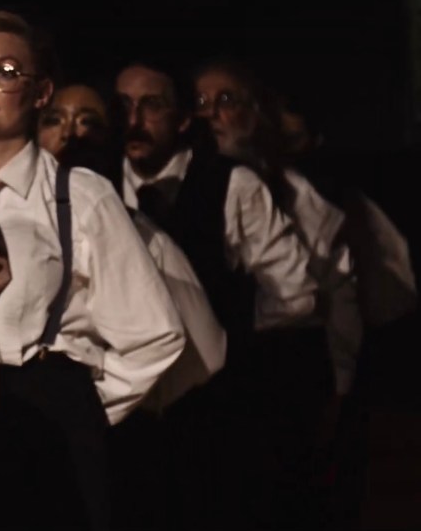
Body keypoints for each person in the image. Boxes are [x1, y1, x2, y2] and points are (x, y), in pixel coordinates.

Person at [0, 9, 185, 531]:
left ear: (41, 93)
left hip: (46, 426)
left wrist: (80, 411)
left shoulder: (78, 195)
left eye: (6, 72)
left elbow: (156, 335)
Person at [113, 58, 321, 529]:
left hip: (217, 411)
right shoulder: (97, 186)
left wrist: (231, 333)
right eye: (124, 106)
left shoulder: (231, 184)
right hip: (128, 415)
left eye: (151, 106)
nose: (134, 120)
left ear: (183, 118)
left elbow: (295, 293)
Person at [39, 81, 226, 530]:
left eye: (88, 122)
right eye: (54, 119)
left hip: (120, 442)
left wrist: (89, 405)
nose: (69, 133)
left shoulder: (132, 229)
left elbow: (204, 350)